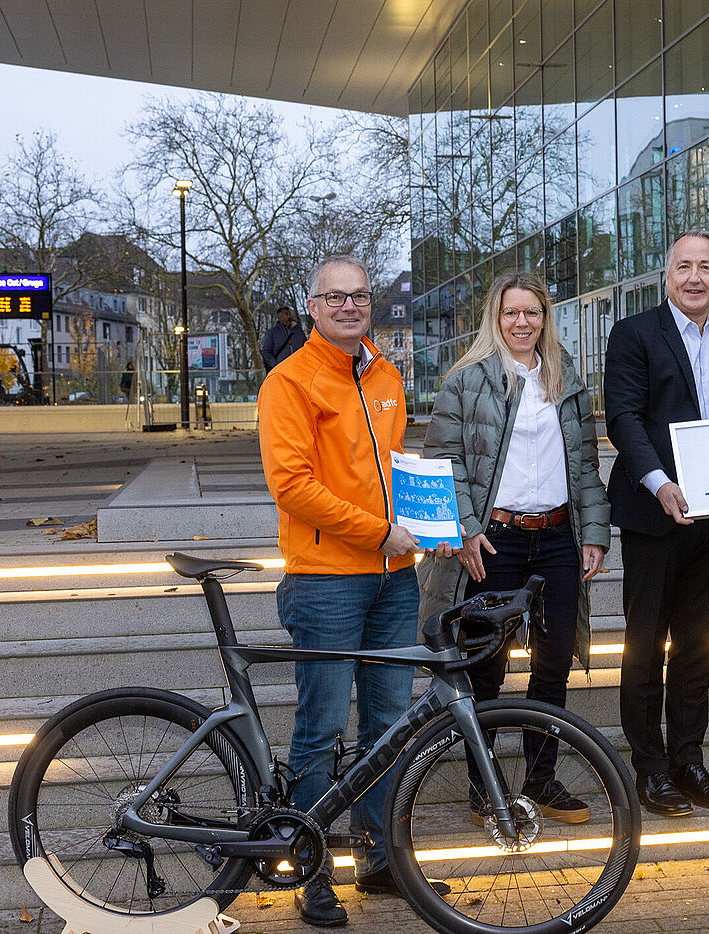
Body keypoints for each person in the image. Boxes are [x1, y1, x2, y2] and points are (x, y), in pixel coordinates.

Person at [258, 255, 427, 926]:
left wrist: (427, 519)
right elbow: (292, 485)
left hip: (394, 581)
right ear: (313, 306)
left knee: (388, 729)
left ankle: (381, 862)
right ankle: (308, 869)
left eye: (359, 295)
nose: (350, 306)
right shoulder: (290, 381)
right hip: (328, 580)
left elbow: (391, 468)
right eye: (336, 297)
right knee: (322, 729)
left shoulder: (385, 374)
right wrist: (377, 532)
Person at [417, 269, 610, 822]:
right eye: (511, 313)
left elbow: (586, 465)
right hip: (493, 541)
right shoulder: (466, 380)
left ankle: (543, 781)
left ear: (546, 319)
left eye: (532, 313)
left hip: (556, 539)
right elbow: (444, 461)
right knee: (486, 668)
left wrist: (593, 532)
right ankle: (485, 788)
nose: (521, 322)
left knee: (552, 668)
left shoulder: (566, 378)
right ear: (495, 318)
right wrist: (466, 527)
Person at [604, 230, 709, 817]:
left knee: (698, 644)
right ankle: (649, 768)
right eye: (683, 267)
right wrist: (659, 483)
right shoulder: (634, 333)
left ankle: (689, 760)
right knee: (645, 644)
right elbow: (622, 417)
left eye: (706, 268)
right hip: (654, 511)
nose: (695, 278)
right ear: (665, 275)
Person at [262, 305, 306, 370]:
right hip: (281, 370)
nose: (289, 316)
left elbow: (306, 347)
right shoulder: (272, 333)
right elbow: (266, 352)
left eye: (289, 314)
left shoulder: (298, 332)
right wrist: (275, 364)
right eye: (286, 314)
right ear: (279, 318)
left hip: (299, 368)